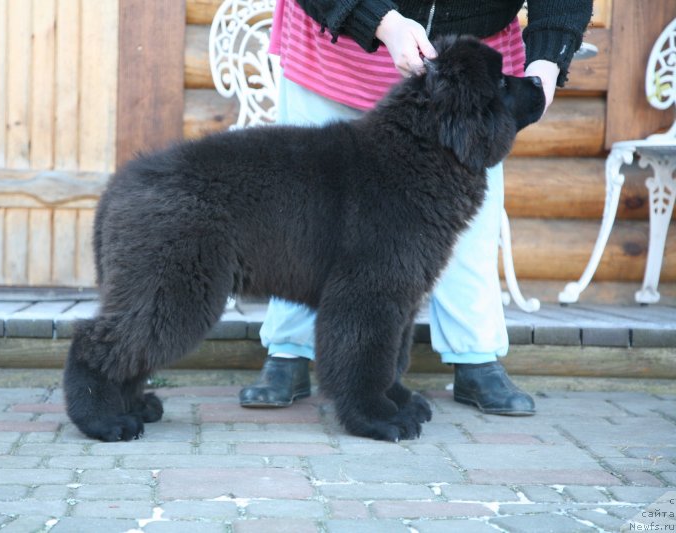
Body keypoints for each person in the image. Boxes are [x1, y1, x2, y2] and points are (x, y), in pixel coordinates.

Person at [239, 0, 593, 415]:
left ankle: (475, 355)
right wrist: (383, 25)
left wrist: (549, 60)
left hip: (466, 81)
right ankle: (289, 351)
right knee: (305, 224)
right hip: (338, 49)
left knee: (462, 229)